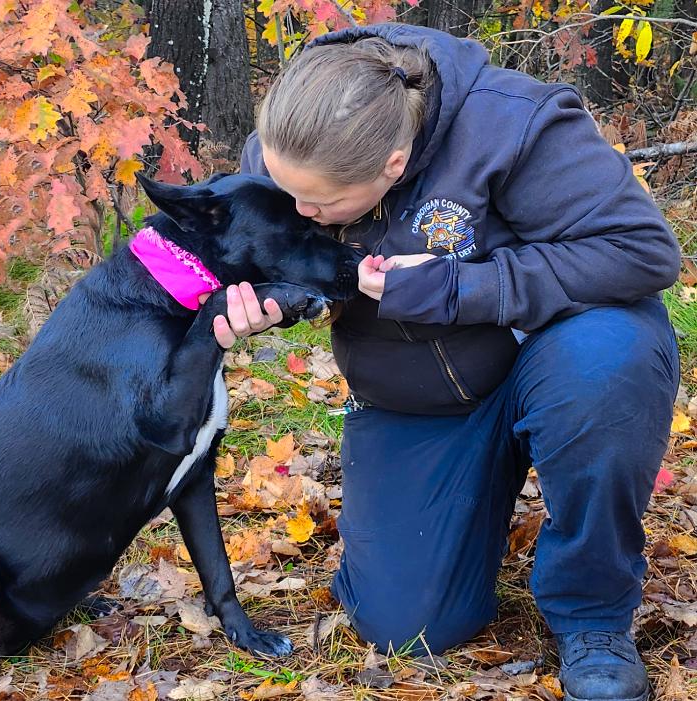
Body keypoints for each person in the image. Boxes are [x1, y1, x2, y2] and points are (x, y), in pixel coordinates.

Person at [220, 23, 681, 701]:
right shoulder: (292, 142)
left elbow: (641, 250)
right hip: (422, 398)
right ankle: (466, 499)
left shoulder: (515, 124)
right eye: (287, 192)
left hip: (554, 354)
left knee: (604, 368)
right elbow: (278, 256)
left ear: (393, 167)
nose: (299, 210)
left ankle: (592, 613)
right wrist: (274, 299)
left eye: (321, 203)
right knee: (406, 624)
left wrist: (456, 287)